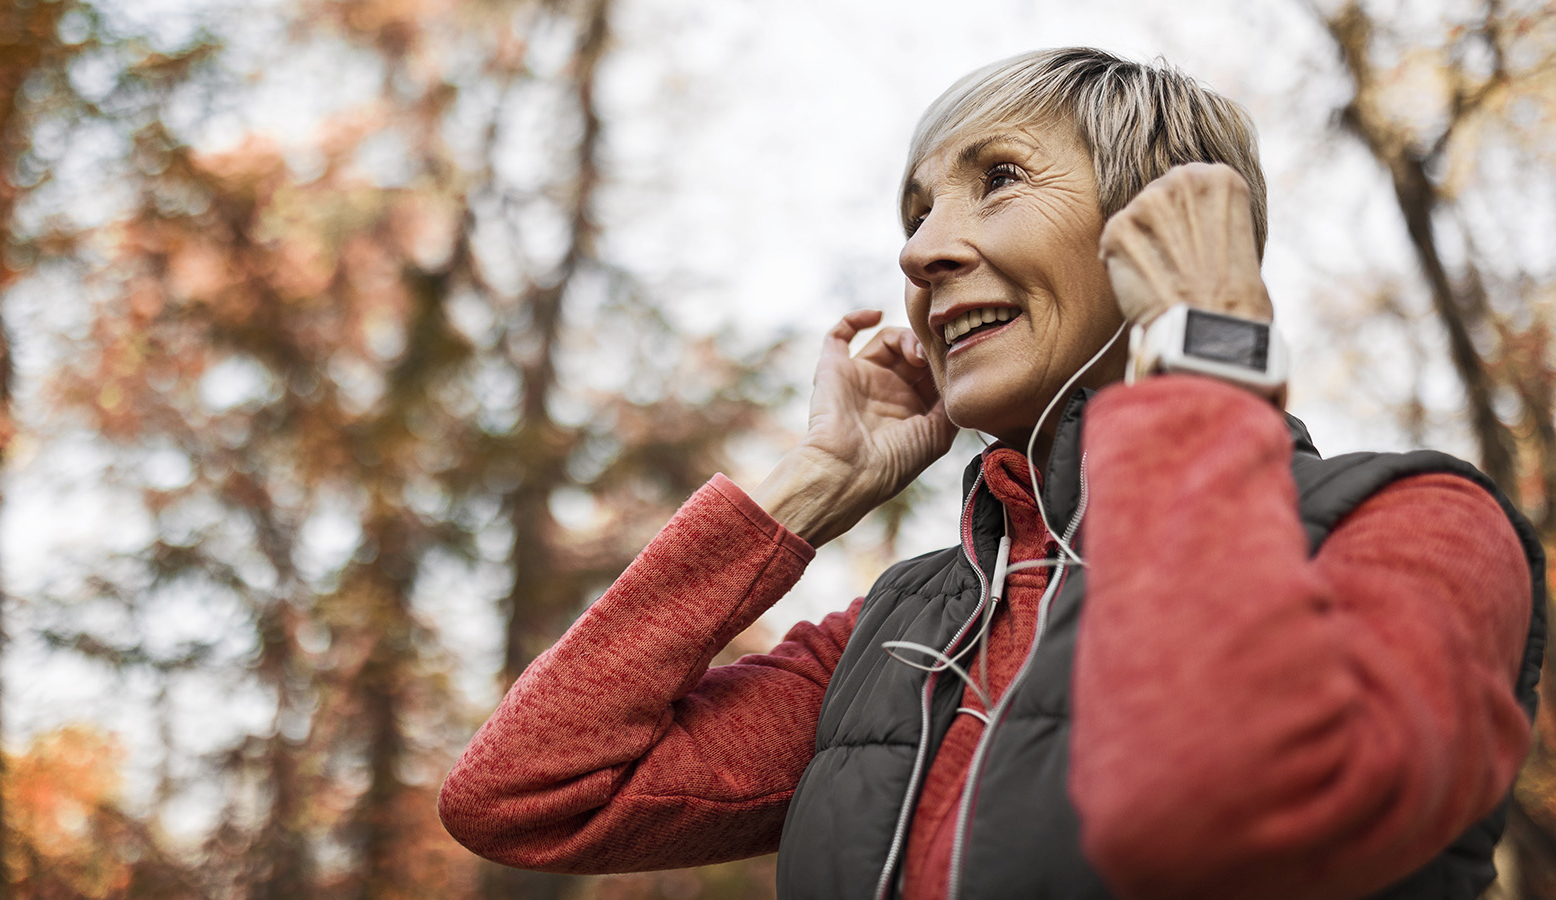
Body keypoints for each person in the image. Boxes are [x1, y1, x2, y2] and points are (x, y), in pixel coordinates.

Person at [438, 47, 1546, 900]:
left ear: (1158, 225)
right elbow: (526, 794)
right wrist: (814, 484)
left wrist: (1201, 357)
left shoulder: (1412, 521)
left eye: (997, 180)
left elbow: (1208, 800)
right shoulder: (899, 627)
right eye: (916, 215)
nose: (920, 253)